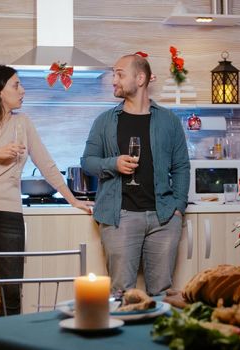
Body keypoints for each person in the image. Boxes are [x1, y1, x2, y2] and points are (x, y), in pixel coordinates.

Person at [0, 64, 92, 320]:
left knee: (12, 292)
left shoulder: (23, 123)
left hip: (9, 214)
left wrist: (73, 199)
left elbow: (46, 164)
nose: (22, 90)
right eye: (16, 85)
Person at [81, 54, 190, 295]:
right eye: (114, 74)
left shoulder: (169, 121)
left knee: (161, 293)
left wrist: (178, 207)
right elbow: (87, 162)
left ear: (140, 78)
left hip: (163, 218)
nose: (113, 80)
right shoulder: (105, 121)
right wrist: (114, 164)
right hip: (120, 217)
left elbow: (181, 166)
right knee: (121, 293)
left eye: (119, 74)